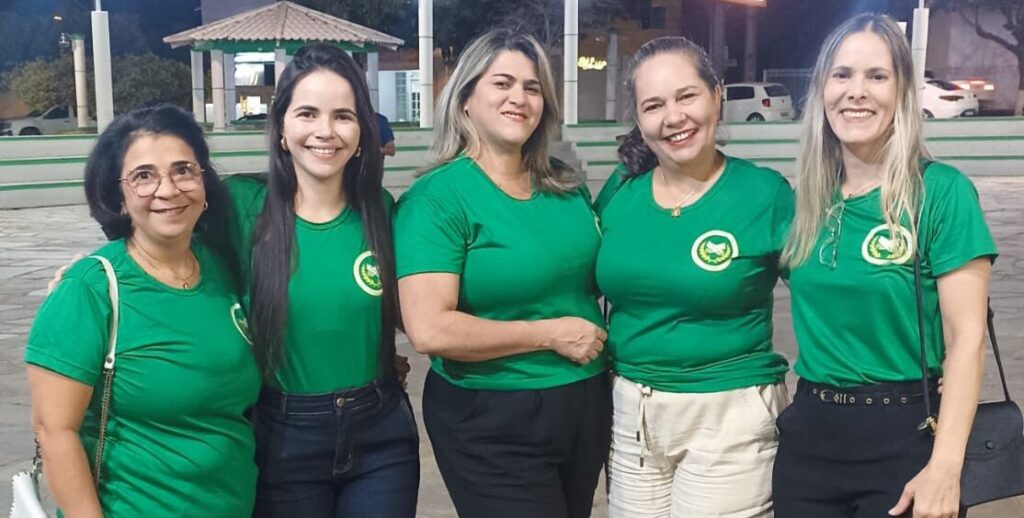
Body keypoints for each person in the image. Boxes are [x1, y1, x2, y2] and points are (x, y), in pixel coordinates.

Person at [773, 14, 996, 518]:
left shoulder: (940, 192)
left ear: (902, 92)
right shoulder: (804, 204)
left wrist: (946, 466)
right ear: (822, 89)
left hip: (907, 438)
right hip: (809, 441)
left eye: (876, 76)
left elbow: (967, 340)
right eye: (842, 75)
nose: (856, 91)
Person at [394, 29, 609, 518]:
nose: (519, 98)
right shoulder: (437, 199)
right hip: (491, 413)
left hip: (583, 403)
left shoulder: (565, 185)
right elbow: (430, 329)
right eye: (502, 83)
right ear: (466, 99)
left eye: (532, 88)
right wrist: (547, 334)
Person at [25, 104, 259, 516]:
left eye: (183, 170)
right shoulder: (91, 288)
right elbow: (54, 430)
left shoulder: (222, 269)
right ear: (118, 196)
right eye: (144, 176)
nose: (168, 190)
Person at [217, 44, 419, 517]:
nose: (325, 131)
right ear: (281, 128)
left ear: (362, 131)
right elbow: (163, 254)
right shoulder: (240, 206)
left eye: (343, 116)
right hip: (283, 437)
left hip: (381, 435)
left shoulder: (383, 212)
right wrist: (97, 271)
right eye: (307, 113)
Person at [594, 36, 791, 517]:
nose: (673, 117)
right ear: (639, 119)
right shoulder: (621, 191)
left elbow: (826, 294)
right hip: (632, 415)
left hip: (729, 413)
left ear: (716, 96)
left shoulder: (764, 193)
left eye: (687, 96)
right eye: (654, 105)